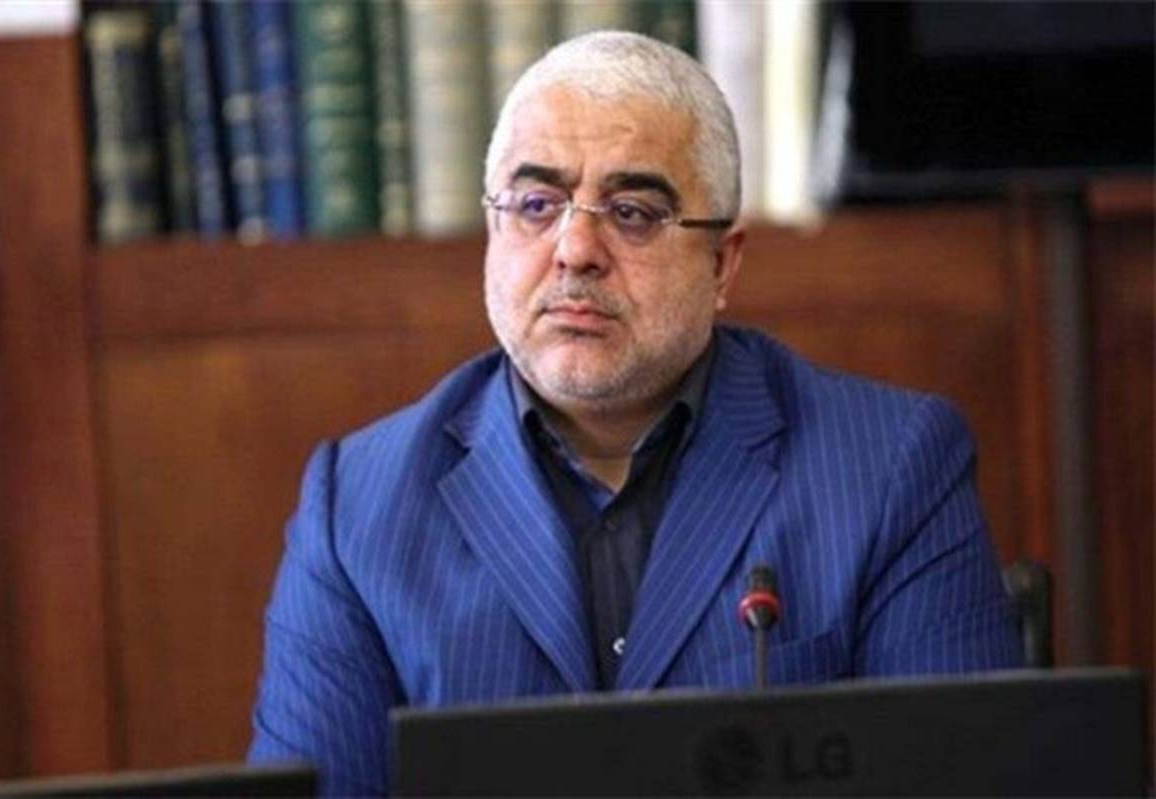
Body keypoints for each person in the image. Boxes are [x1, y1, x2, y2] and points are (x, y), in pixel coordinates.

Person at [248, 31, 1022, 796]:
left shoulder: (889, 467)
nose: (574, 249)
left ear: (721, 263)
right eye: (536, 204)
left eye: (632, 212)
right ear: (493, 233)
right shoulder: (358, 508)